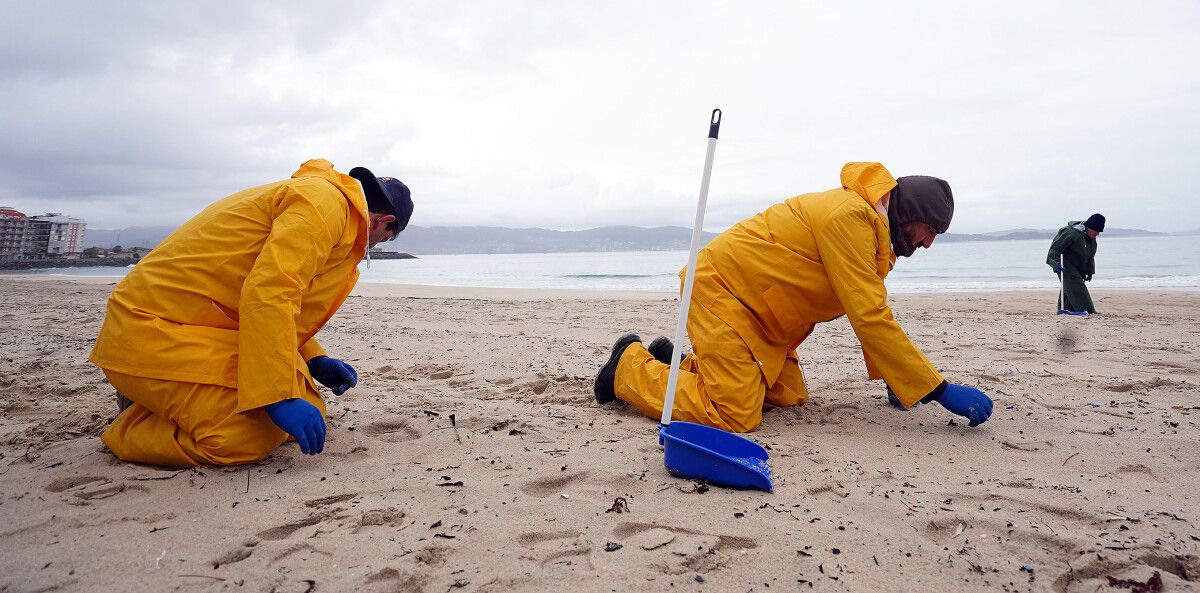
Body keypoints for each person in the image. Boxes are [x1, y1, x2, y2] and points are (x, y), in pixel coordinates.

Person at [594, 162, 993, 432]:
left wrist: (896, 374)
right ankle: (628, 367)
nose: (929, 243)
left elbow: (867, 302)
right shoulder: (850, 218)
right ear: (912, 212)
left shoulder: (876, 236)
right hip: (723, 291)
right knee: (735, 414)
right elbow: (869, 314)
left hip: (763, 317)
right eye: (930, 230)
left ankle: (678, 366)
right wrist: (937, 389)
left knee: (788, 395)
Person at [89, 159, 413, 466]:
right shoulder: (323, 205)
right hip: (150, 328)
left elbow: (277, 298)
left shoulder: (329, 210)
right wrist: (277, 398)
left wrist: (313, 357)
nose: (375, 246)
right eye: (384, 240)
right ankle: (131, 429)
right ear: (384, 222)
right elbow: (269, 293)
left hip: (198, 328)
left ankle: (164, 403)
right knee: (245, 437)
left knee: (310, 408)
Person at [1046, 213, 1104, 314]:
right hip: (1065, 265)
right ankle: (1088, 311)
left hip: (1079, 267)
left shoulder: (1091, 238)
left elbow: (1090, 256)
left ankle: (1066, 310)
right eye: (1096, 231)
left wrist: (1090, 271)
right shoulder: (1070, 233)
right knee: (1077, 286)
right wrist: (1056, 265)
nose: (1097, 234)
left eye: (1099, 231)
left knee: (1068, 288)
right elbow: (1054, 250)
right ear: (1088, 227)